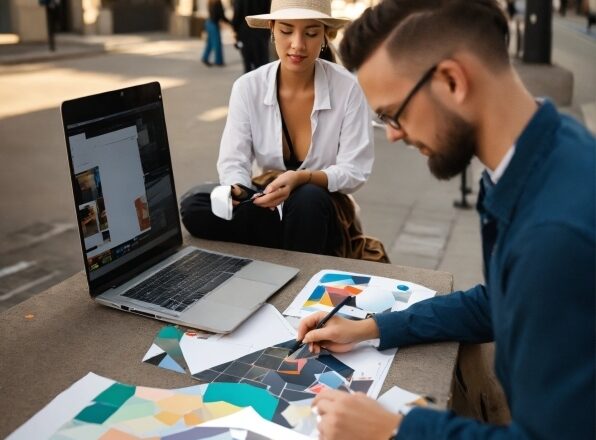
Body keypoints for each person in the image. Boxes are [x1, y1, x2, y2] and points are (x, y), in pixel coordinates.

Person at [297, 0, 595, 439]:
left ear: (453, 80)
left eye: (394, 114)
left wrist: (394, 430)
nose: (394, 135)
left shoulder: (553, 238)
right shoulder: (546, 148)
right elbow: (498, 303)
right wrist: (371, 328)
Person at [181, 0, 374, 256]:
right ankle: (291, 245)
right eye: (286, 30)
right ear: (271, 29)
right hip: (268, 199)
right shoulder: (248, 87)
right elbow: (234, 159)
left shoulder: (348, 88)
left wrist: (302, 177)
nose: (297, 44)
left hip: (322, 205)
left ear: (325, 36)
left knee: (307, 199)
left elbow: (355, 170)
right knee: (195, 205)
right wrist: (237, 189)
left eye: (311, 33)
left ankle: (299, 266)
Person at [232, 0, 271, 72]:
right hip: (262, 31)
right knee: (263, 62)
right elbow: (269, 11)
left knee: (247, 62)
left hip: (245, 32)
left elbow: (237, 14)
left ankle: (249, 81)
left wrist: (235, 29)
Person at [202, 0, 231, 67]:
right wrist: (230, 22)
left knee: (210, 43)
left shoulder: (210, 1)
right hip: (213, 24)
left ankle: (205, 57)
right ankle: (219, 61)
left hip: (208, 22)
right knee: (217, 43)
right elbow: (221, 14)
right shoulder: (217, 1)